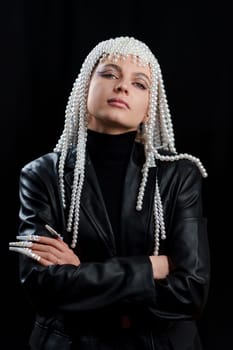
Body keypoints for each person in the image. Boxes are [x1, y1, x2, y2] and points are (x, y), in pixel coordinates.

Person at [9, 36, 210, 350]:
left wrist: (80, 273)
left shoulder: (180, 176)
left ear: (149, 108)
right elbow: (41, 286)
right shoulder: (41, 175)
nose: (123, 87)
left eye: (139, 83)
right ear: (85, 86)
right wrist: (152, 267)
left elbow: (191, 292)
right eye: (109, 74)